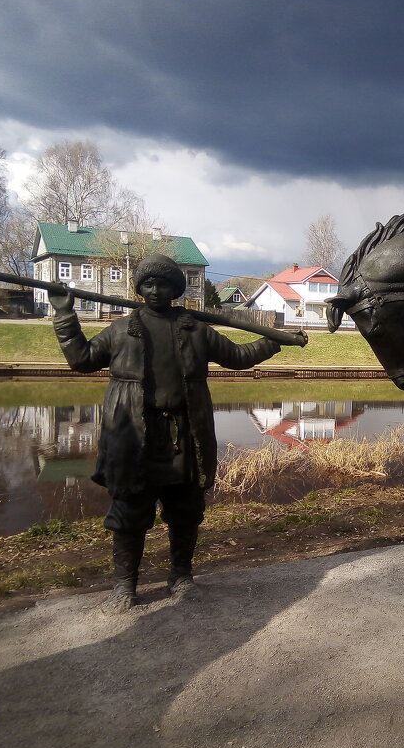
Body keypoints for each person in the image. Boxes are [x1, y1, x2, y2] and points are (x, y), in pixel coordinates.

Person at [49, 254, 282, 613]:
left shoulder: (195, 330)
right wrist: (65, 313)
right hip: (133, 436)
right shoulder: (122, 329)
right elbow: (81, 359)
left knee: (186, 509)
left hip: (185, 434)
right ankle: (124, 586)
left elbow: (237, 356)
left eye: (164, 284)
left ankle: (181, 576)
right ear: (139, 288)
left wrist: (275, 341)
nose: (156, 291)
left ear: (176, 289)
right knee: (129, 511)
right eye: (148, 284)